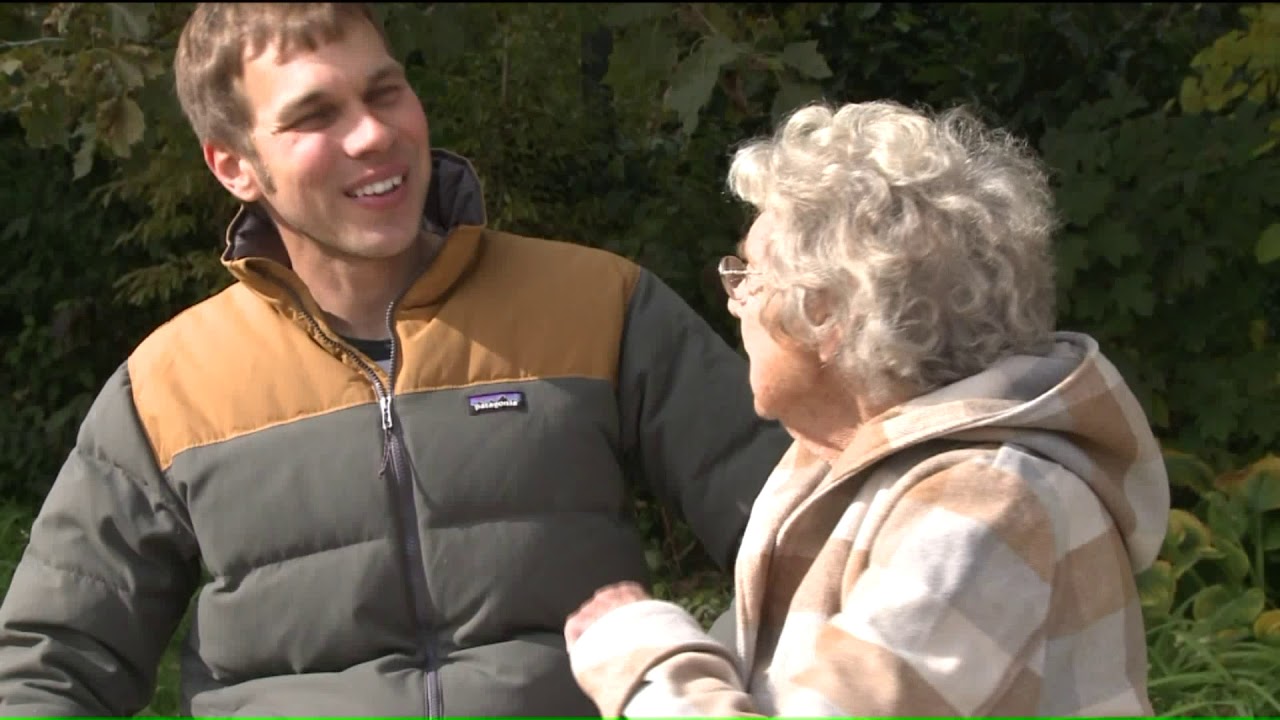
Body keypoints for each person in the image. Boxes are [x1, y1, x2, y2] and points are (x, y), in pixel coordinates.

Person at [0, 3, 791, 716]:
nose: (373, 133)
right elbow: (48, 666)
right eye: (314, 115)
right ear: (234, 165)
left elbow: (811, 537)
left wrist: (680, 690)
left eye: (384, 93)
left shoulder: (601, 304)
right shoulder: (170, 387)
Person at [564, 100, 1171, 717]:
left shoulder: (988, 505)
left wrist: (640, 655)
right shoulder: (830, 461)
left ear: (826, 313)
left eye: (749, 275)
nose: (734, 301)